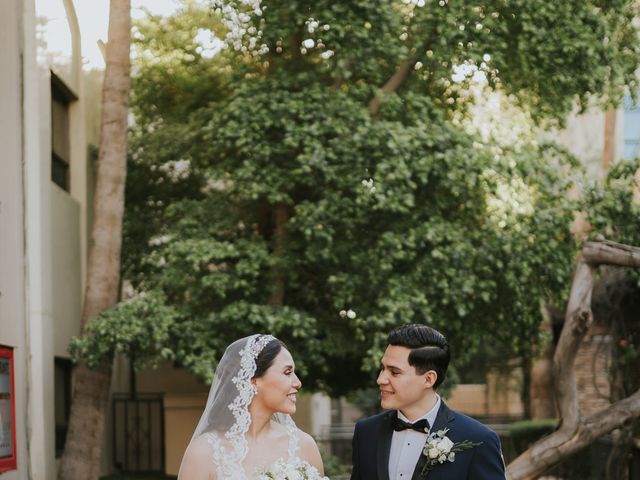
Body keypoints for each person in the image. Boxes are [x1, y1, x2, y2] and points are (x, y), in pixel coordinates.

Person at [351, 324, 505, 480]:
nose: (381, 379)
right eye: (382, 368)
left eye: (394, 372)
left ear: (428, 379)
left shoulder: (479, 439)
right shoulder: (365, 433)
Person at [178, 334, 325, 479]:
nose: (298, 382)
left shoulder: (305, 446)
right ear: (253, 381)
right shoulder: (204, 453)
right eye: (287, 373)